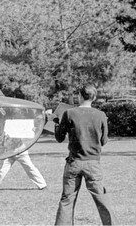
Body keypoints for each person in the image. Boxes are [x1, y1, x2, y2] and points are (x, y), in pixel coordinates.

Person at [53, 84, 117, 226]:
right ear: (94, 97)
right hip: (93, 163)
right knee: (101, 198)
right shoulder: (100, 115)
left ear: (79, 96)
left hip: (74, 162)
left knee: (67, 200)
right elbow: (104, 141)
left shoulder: (69, 113)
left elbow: (59, 138)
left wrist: (56, 123)